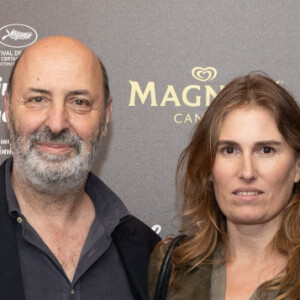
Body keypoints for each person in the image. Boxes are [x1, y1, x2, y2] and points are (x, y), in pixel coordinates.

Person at [0, 35, 160, 300]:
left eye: (79, 102)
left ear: (106, 116)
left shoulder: (146, 253)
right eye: (38, 99)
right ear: (7, 106)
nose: (56, 123)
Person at [148, 73, 300, 299]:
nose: (247, 172)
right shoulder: (173, 266)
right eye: (229, 150)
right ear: (208, 166)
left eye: (266, 150)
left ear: (297, 166)